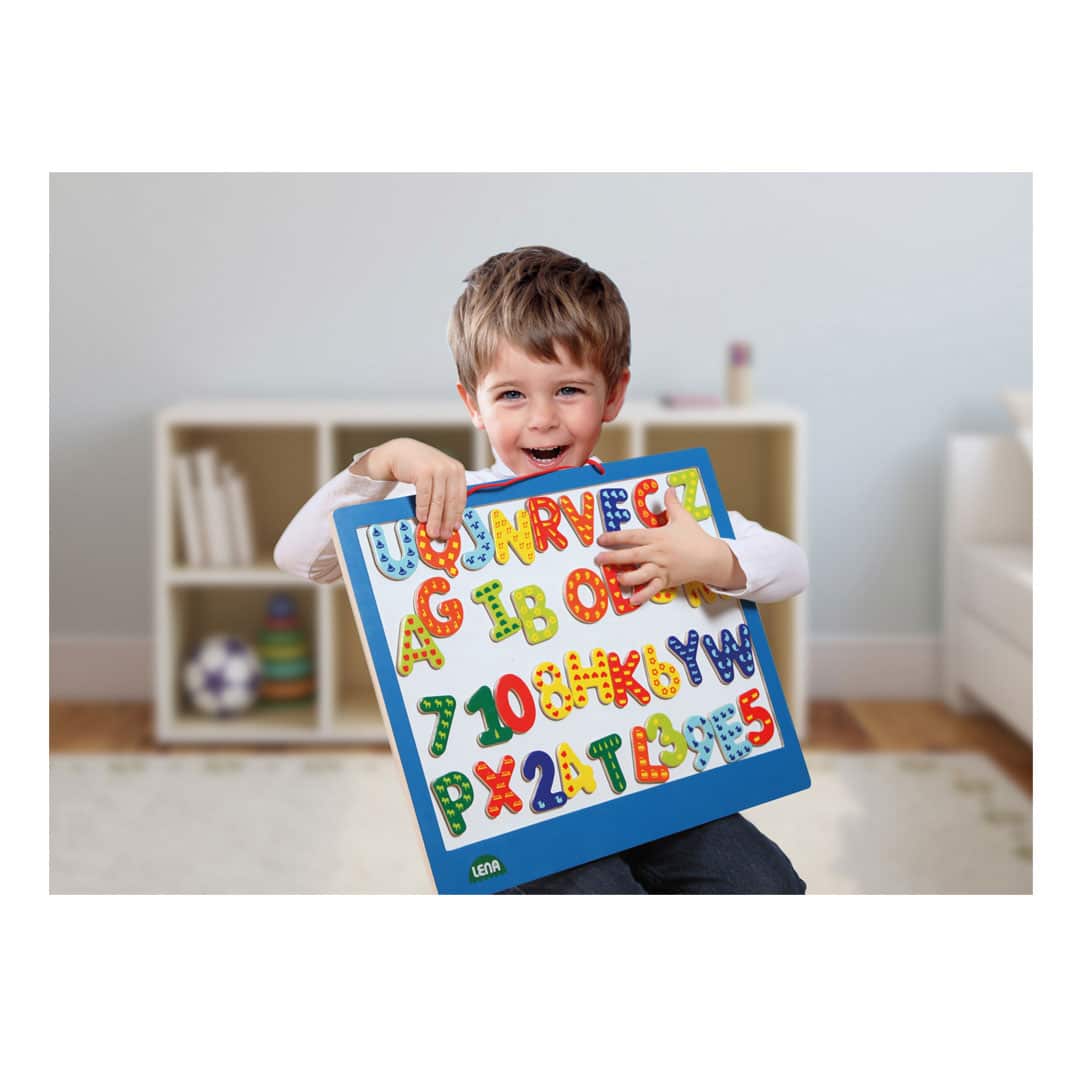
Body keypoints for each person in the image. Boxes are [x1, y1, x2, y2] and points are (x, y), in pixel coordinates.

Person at [274, 245, 808, 893]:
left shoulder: (653, 508)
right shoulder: (451, 504)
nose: (542, 418)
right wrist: (383, 460)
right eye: (511, 395)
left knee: (764, 882)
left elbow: (790, 564)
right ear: (473, 404)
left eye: (569, 390)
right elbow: (301, 557)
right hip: (531, 802)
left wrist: (709, 558)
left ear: (614, 395)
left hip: (660, 777)